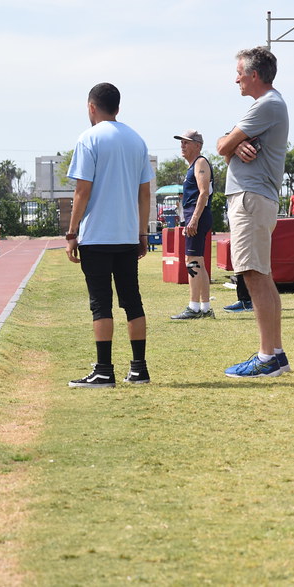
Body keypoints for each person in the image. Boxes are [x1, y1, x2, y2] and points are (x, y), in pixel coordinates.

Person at [65, 83, 153, 388]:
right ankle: (139, 368)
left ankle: (103, 370)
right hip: (128, 234)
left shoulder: (88, 139)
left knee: (101, 303)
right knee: (132, 301)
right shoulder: (137, 140)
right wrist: (142, 231)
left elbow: (82, 190)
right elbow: (145, 194)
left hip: (96, 235)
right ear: (118, 106)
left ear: (92, 107)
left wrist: (72, 231)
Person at [215, 46, 290, 378]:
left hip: (251, 199)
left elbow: (220, 146)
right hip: (257, 198)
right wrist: (233, 144)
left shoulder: (267, 105)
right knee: (262, 275)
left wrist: (230, 146)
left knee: (254, 275)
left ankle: (266, 358)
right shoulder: (266, 106)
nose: (236, 79)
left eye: (240, 73)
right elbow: (225, 141)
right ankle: (275, 353)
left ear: (254, 75)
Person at [170, 130, 215, 320]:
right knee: (199, 262)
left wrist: (194, 219)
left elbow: (204, 192)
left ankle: (194, 307)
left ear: (198, 145)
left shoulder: (201, 163)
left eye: (186, 142)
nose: (182, 145)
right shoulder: (194, 166)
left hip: (198, 216)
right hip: (196, 216)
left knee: (192, 261)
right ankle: (204, 307)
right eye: (181, 142)